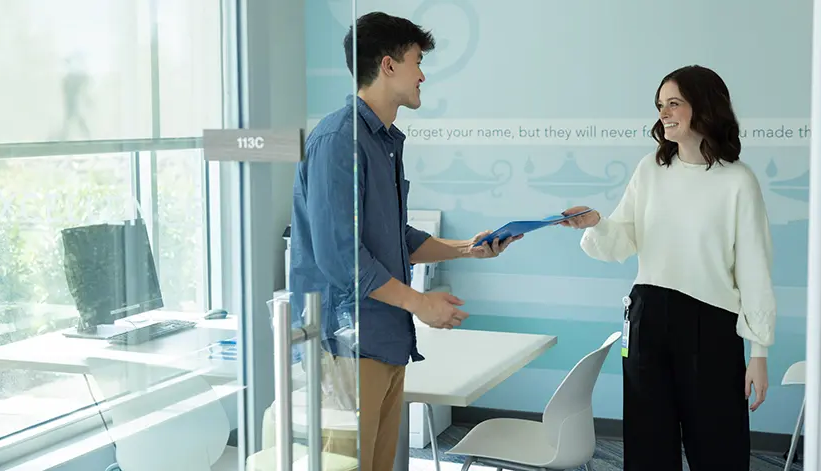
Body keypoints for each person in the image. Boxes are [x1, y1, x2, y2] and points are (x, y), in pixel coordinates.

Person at [290, 11, 522, 471]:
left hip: (383, 337)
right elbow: (342, 258)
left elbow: (394, 238)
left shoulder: (383, 141)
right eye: (417, 61)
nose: (423, 74)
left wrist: (466, 247)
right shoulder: (339, 140)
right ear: (388, 65)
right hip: (347, 344)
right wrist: (419, 302)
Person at [561, 65, 775, 471]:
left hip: (710, 325)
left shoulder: (738, 182)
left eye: (674, 103)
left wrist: (759, 352)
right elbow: (623, 238)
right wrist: (596, 222)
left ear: (705, 106)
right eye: (660, 105)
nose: (664, 113)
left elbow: (754, 268)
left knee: (719, 445)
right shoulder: (650, 169)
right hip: (647, 317)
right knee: (647, 445)